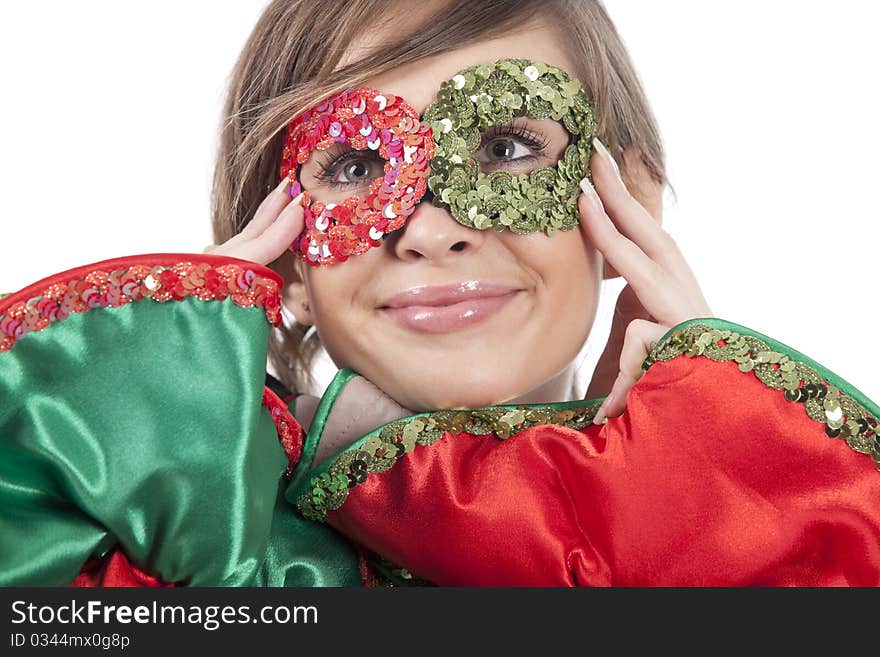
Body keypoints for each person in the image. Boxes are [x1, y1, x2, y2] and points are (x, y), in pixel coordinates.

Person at [1, 0, 877, 587]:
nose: (428, 228)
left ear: (625, 204)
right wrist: (159, 401)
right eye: (355, 165)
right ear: (292, 272)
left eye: (504, 148)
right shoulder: (190, 560)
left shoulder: (812, 529)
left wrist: (714, 462)